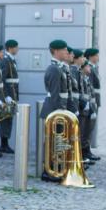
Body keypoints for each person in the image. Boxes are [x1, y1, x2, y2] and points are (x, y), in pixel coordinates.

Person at [40, 39, 70, 182]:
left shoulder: (59, 67)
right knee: (52, 141)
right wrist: (60, 112)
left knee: (57, 140)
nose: (66, 52)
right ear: (56, 51)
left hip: (57, 109)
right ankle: (47, 171)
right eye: (64, 50)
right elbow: (55, 93)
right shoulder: (54, 68)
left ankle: (55, 168)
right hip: (54, 109)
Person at [0, 39, 19, 153]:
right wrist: (6, 95)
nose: (17, 49)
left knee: (9, 118)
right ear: (10, 48)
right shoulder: (6, 61)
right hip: (9, 95)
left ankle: (5, 143)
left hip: (13, 94)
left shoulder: (12, 60)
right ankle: (3, 144)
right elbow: (2, 79)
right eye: (16, 47)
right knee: (6, 119)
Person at [80, 59, 99, 162]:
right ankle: (83, 154)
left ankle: (86, 152)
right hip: (83, 108)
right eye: (87, 66)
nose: (89, 68)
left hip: (89, 107)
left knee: (87, 132)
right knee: (82, 133)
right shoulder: (81, 77)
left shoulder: (86, 78)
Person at [84, 48, 101, 159]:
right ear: (90, 56)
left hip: (95, 101)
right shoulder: (88, 68)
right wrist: (91, 104)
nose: (98, 57)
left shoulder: (94, 67)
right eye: (96, 55)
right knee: (87, 128)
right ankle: (85, 151)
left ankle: (87, 150)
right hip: (91, 102)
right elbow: (89, 87)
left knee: (90, 128)